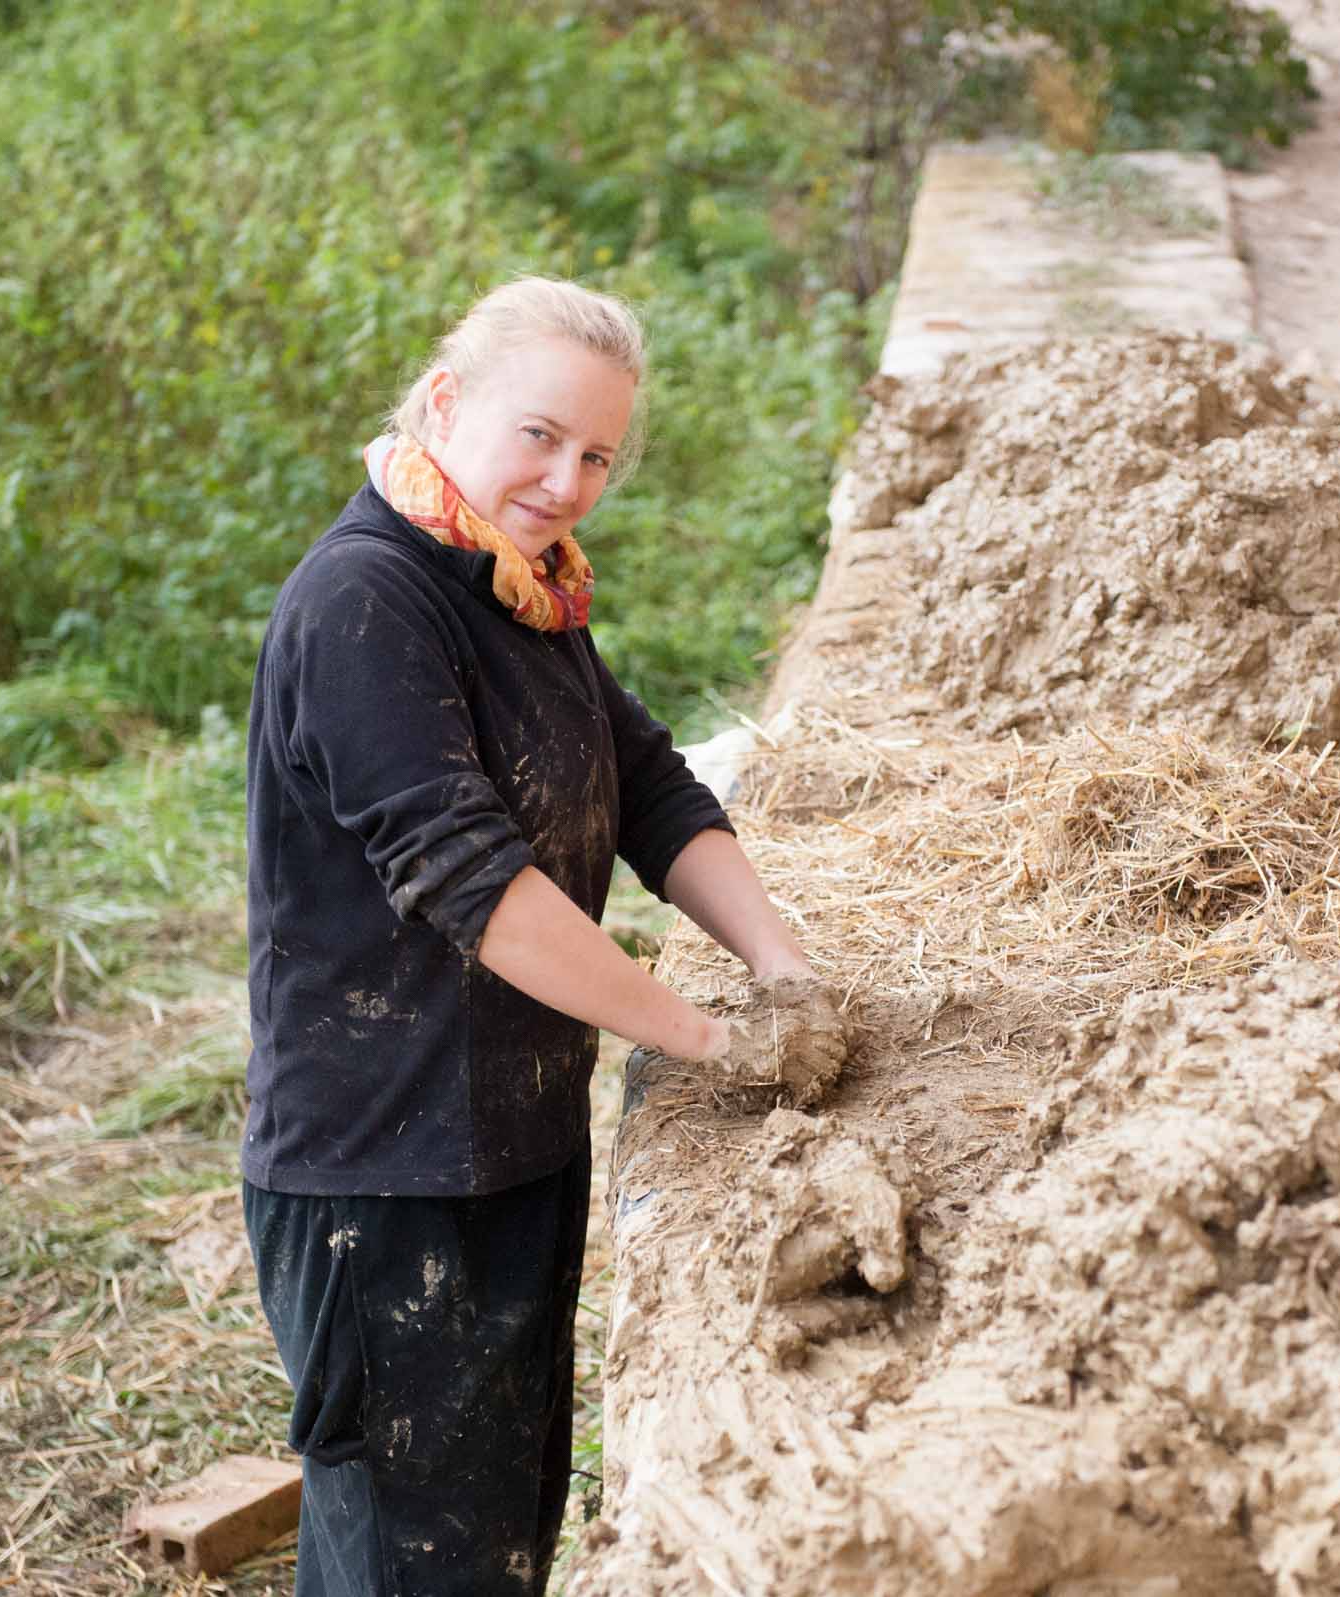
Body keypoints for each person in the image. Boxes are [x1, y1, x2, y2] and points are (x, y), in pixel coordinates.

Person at [239, 275, 829, 1595]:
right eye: (538, 436)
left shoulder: (525, 588)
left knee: (496, 1536)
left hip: (509, 1140)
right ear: (447, 402)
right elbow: (477, 884)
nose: (567, 481)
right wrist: (709, 1039)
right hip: (381, 1182)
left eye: (599, 455)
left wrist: (787, 970)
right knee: (411, 1558)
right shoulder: (368, 604)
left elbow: (654, 790)